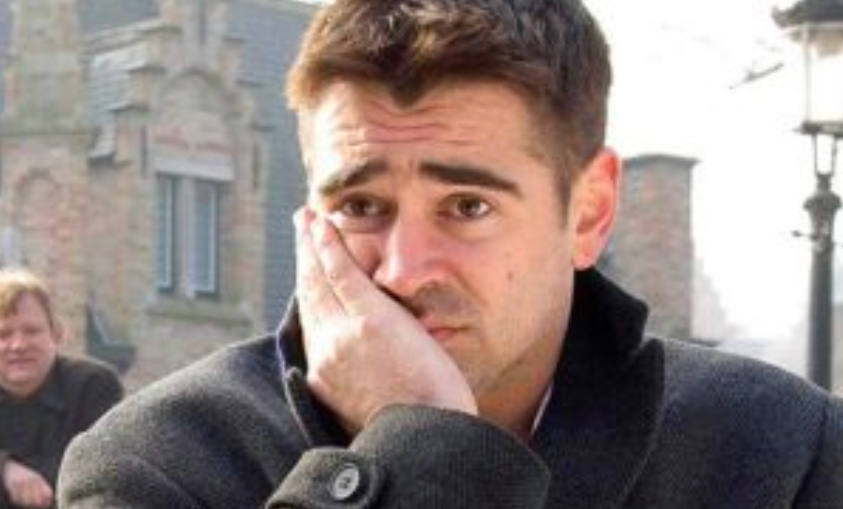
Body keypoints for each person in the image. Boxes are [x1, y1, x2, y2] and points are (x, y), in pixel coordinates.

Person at [59, 0, 843, 507]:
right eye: (360, 206)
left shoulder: (781, 453)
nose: (405, 269)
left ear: (589, 211)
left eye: (468, 207)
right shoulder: (156, 465)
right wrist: (421, 447)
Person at [0, 268, 122, 509]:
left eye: (31, 331)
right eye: (4, 334)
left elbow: (102, 470)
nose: (18, 345)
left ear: (56, 334)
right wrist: (4, 468)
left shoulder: (93, 385)